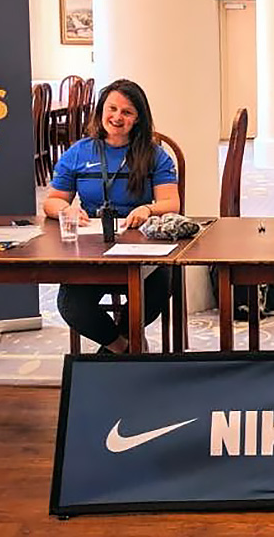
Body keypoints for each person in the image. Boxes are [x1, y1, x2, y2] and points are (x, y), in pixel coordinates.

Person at [44, 79, 180, 354]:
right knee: (71, 305)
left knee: (158, 288)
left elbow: (171, 203)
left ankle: (119, 349)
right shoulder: (79, 152)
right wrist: (67, 209)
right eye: (112, 109)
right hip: (92, 250)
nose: (117, 117)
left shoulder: (154, 154)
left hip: (140, 248)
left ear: (138, 118)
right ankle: (124, 349)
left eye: (127, 112)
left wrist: (148, 209)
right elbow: (52, 201)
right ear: (101, 111)